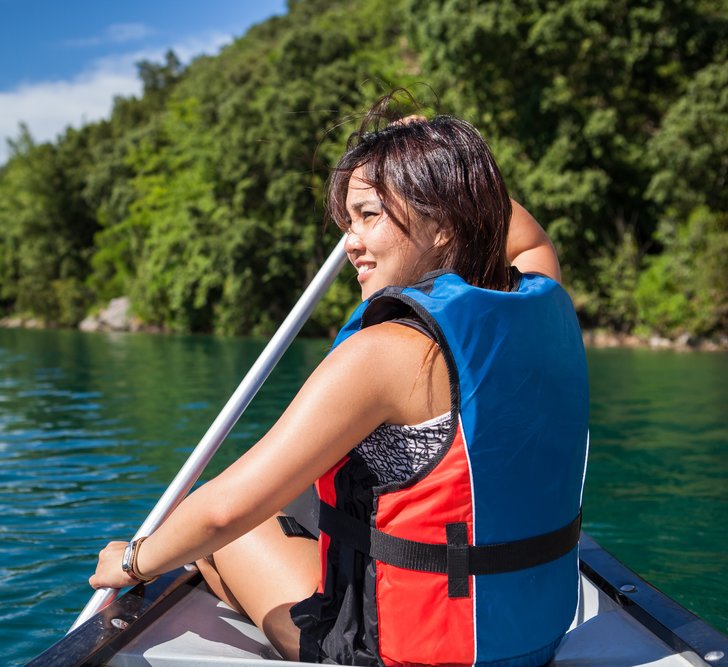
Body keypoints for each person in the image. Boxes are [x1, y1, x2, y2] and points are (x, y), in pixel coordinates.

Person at [91, 99, 589, 666]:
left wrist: (130, 561)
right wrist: (440, 157)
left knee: (205, 527)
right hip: (536, 639)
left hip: (420, 655)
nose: (351, 242)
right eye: (347, 221)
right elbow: (527, 240)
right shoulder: (544, 298)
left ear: (445, 222)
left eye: (369, 215)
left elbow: (224, 512)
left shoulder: (385, 353)